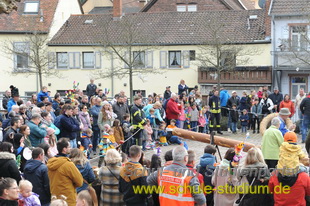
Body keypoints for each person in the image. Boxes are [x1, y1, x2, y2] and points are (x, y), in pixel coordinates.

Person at [47, 138, 83, 206]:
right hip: (67, 198)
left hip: (55, 198)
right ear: (64, 149)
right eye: (69, 147)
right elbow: (80, 182)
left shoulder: (50, 162)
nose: (70, 148)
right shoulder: (68, 164)